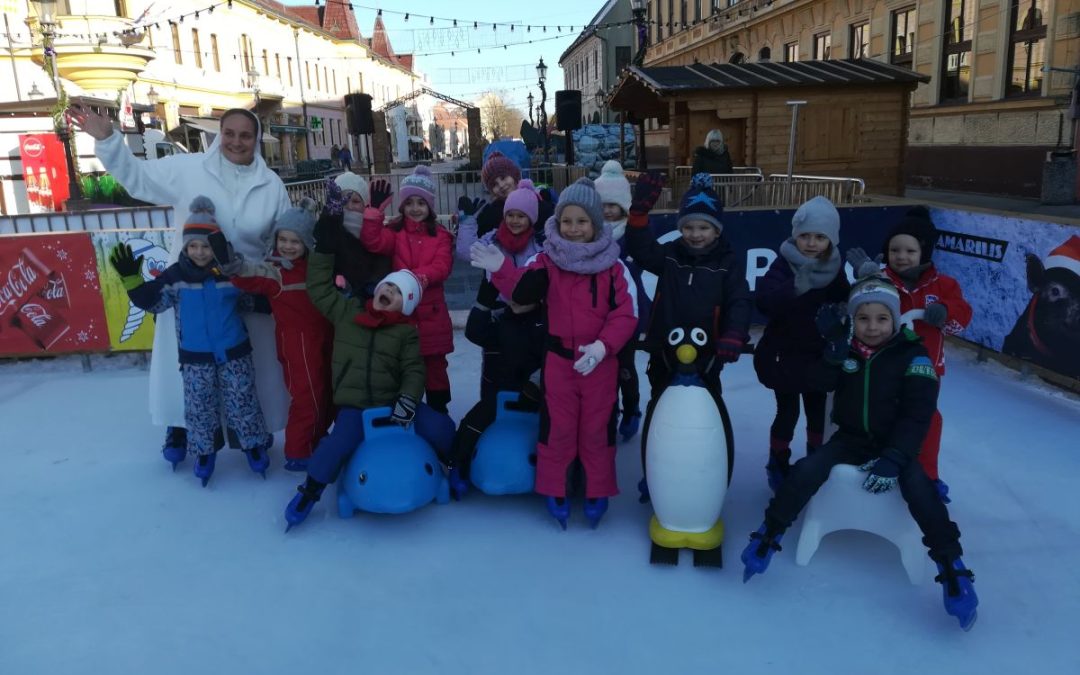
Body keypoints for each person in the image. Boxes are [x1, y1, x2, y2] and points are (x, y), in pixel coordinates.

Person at [740, 273, 979, 631]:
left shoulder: (914, 355)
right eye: (863, 318)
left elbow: (918, 414)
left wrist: (895, 457)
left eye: (882, 318)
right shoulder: (847, 351)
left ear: (895, 320)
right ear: (853, 320)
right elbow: (817, 384)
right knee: (807, 470)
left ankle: (951, 567)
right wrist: (833, 356)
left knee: (921, 490)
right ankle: (769, 533)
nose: (872, 327)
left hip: (895, 445)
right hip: (849, 440)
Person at [67, 102, 291, 468]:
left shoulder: (271, 185)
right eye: (230, 133)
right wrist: (109, 139)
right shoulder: (189, 169)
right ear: (220, 136)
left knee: (251, 365)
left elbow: (278, 239)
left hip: (241, 286)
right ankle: (179, 424)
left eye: (245, 135)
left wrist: (271, 274)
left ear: (257, 139)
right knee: (184, 363)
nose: (237, 141)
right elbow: (137, 178)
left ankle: (254, 427)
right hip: (187, 287)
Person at [472, 177, 638, 529]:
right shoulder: (548, 260)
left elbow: (626, 313)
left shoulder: (612, 266)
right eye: (567, 221)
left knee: (596, 429)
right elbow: (523, 288)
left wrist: (603, 346)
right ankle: (555, 487)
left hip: (599, 365)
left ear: (596, 223)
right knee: (558, 429)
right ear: (557, 222)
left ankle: (597, 489)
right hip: (559, 363)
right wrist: (499, 269)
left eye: (581, 221)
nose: (574, 229)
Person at [108, 197, 273, 486]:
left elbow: (253, 299)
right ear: (185, 247)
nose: (199, 252)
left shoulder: (230, 275)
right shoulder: (176, 277)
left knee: (243, 401)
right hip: (196, 357)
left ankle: (253, 443)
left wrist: (274, 292)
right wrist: (133, 282)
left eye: (206, 246)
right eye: (193, 246)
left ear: (216, 246)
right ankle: (205, 451)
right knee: (200, 407)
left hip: (235, 352)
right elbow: (155, 302)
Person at [283, 233, 430, 528]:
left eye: (397, 291)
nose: (388, 290)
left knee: (438, 426)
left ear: (406, 307)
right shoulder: (349, 312)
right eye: (387, 285)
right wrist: (325, 244)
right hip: (355, 406)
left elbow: (414, 370)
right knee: (336, 445)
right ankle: (310, 490)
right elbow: (321, 289)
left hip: (393, 404)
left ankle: (453, 466)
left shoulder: (406, 333)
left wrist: (408, 400)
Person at [624, 172, 752, 498]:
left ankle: (711, 466)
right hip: (664, 350)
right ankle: (653, 470)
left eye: (704, 227)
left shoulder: (727, 263)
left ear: (717, 229)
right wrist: (638, 215)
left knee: (708, 407)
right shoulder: (670, 256)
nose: (696, 234)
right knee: (660, 407)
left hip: (708, 355)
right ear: (681, 227)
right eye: (689, 227)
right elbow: (640, 250)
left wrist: (734, 334)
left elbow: (739, 300)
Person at [847, 206, 972, 502]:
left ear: (924, 252)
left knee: (925, 418)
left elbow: (962, 316)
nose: (901, 256)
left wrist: (945, 312)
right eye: (895, 250)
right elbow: (857, 306)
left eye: (909, 250)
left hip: (925, 367)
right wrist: (865, 278)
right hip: (885, 364)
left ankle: (928, 475)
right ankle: (878, 461)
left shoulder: (943, 286)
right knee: (883, 413)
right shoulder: (883, 280)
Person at [449, 179, 546, 497]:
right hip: (498, 319)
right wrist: (467, 224)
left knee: (533, 400)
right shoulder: (493, 240)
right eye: (511, 214)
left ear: (532, 219)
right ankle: (462, 461)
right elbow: (465, 251)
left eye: (522, 215)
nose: (516, 221)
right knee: (491, 401)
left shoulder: (539, 247)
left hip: (530, 315)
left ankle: (545, 469)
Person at [228, 199, 334, 472]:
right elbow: (250, 275)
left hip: (324, 335)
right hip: (296, 341)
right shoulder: (275, 270)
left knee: (325, 392)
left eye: (295, 241)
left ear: (307, 243)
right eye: (283, 239)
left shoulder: (315, 267)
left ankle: (318, 439)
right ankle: (298, 450)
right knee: (307, 395)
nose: (287, 246)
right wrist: (233, 266)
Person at [754, 196, 850, 491]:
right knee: (787, 413)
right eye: (805, 236)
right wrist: (795, 286)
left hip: (818, 357)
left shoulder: (834, 269)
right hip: (785, 355)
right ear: (795, 236)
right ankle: (778, 460)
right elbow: (765, 300)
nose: (811, 243)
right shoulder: (784, 265)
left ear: (831, 240)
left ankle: (815, 460)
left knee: (817, 414)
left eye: (820, 237)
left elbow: (846, 302)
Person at [359, 166, 455, 413]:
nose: (415, 208)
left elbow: (442, 266)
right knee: (405, 367)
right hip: (402, 316)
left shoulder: (441, 236)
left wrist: (418, 279)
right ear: (402, 206)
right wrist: (373, 213)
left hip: (432, 315)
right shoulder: (394, 233)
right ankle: (407, 411)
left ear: (430, 207)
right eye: (409, 202)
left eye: (421, 203)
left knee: (435, 368)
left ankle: (439, 413)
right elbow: (373, 241)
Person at [594, 160, 651, 442]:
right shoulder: (591, 234)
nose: (607, 210)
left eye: (612, 205)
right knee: (604, 370)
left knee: (625, 369)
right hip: (598, 313)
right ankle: (609, 412)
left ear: (623, 207)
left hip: (627, 311)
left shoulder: (632, 233)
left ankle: (631, 409)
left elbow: (644, 259)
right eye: (602, 204)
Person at [321, 172, 392, 299]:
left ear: (365, 204)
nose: (349, 207)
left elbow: (379, 247)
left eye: (355, 201)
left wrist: (373, 217)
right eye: (343, 201)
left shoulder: (380, 231)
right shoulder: (327, 232)